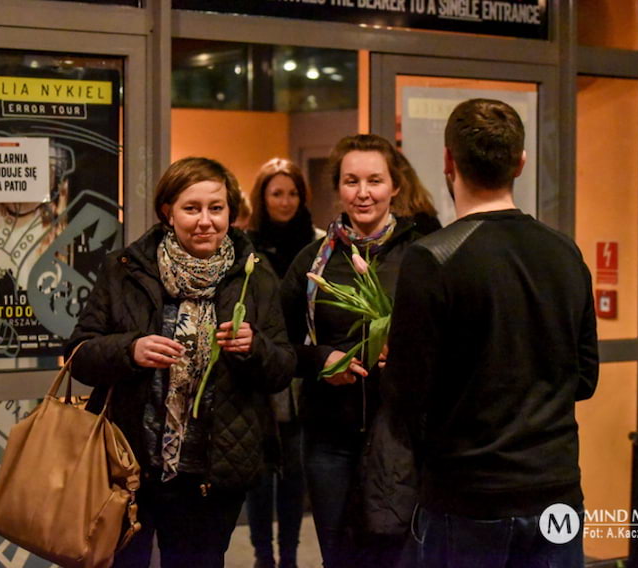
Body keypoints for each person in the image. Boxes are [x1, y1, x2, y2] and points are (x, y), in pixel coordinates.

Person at [383, 98, 599, 567]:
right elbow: (585, 379)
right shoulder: (566, 253)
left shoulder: (433, 258)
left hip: (467, 494)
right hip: (556, 490)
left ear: (447, 160)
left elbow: (405, 395)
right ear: (521, 162)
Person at [66, 156, 296, 568]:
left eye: (216, 207)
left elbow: (282, 368)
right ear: (167, 213)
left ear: (230, 211)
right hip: (130, 466)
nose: (205, 220)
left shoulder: (256, 277)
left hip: (212, 471)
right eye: (192, 209)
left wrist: (253, 347)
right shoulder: (125, 271)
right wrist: (130, 350)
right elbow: (79, 355)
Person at [280, 134, 440, 568]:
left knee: (400, 559)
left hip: (403, 440)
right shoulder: (313, 261)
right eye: (351, 181)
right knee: (340, 558)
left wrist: (408, 355)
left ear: (395, 187)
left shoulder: (424, 253)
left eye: (374, 180)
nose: (363, 193)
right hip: (331, 440)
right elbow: (279, 345)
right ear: (338, 187)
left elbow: (454, 339)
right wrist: (319, 361)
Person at [244, 158, 319, 568]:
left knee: (294, 475)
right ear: (263, 197)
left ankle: (288, 557)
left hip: (304, 372)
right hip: (259, 370)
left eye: (292, 193)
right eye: (277, 193)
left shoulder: (321, 242)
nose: (286, 201)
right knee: (260, 478)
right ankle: (262, 557)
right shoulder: (245, 245)